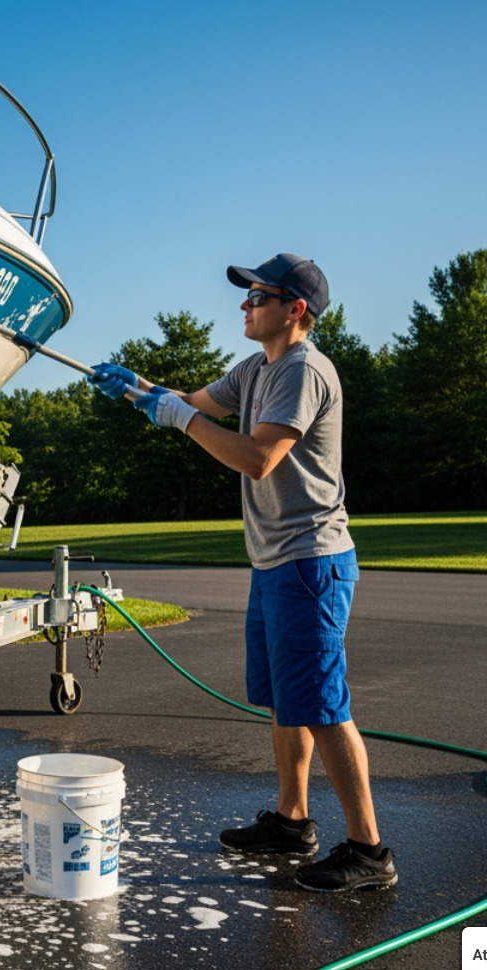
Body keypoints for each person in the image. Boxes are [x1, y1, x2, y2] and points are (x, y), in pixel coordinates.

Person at [90, 253, 396, 892]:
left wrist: (179, 416)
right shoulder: (255, 368)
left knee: (322, 704)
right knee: (290, 700)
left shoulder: (302, 371)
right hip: (276, 562)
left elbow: (257, 457)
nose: (244, 305)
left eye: (257, 295)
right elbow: (194, 402)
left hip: (311, 562)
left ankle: (369, 852)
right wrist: (138, 390)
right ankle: (292, 822)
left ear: (295, 309)